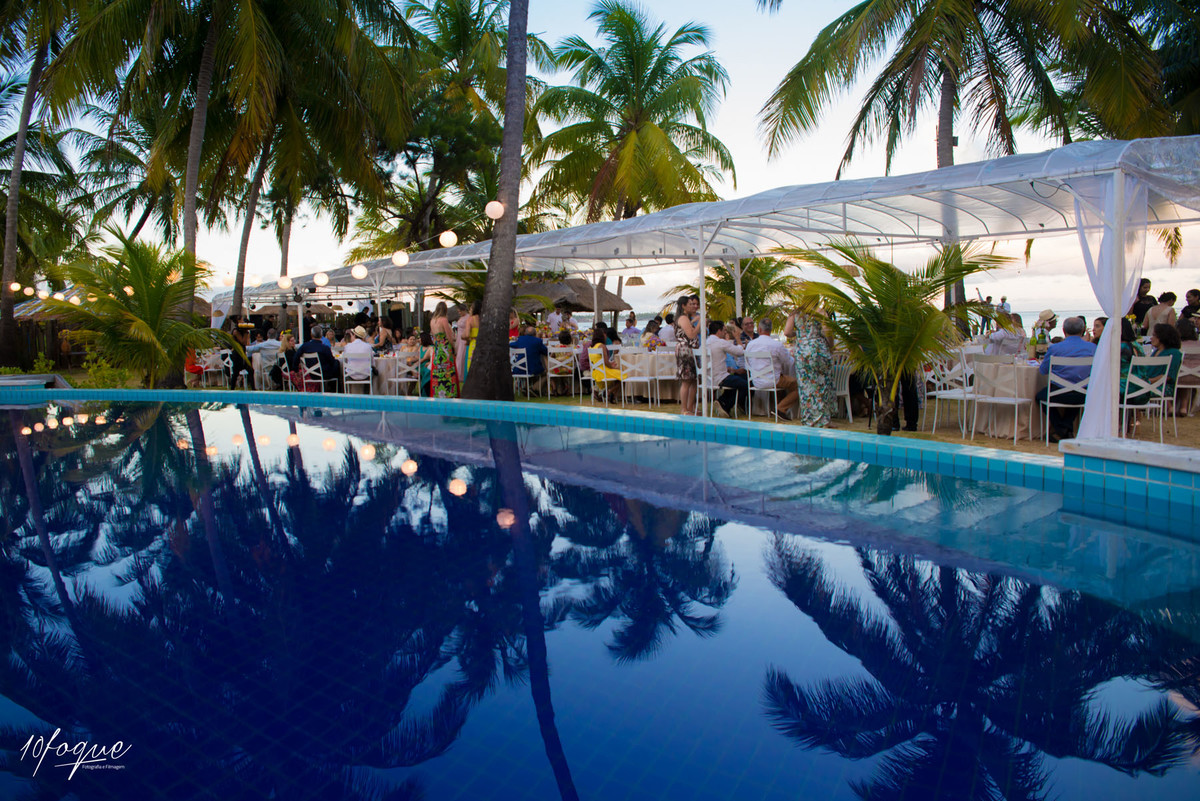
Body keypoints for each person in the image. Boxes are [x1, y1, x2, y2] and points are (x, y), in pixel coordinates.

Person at [1035, 317, 1096, 442]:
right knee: (1077, 394)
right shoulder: (1092, 348)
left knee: (1040, 396)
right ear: (1083, 330)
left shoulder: (1054, 348)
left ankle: (1060, 428)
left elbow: (1043, 371)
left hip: (1058, 393)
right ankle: (1066, 428)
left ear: (1063, 331)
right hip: (1083, 393)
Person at [744, 318, 799, 418]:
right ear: (770, 330)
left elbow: (746, 365)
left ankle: (775, 408)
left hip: (755, 381)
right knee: (799, 385)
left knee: (784, 380)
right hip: (774, 380)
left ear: (759, 329)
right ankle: (781, 408)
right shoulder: (777, 345)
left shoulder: (750, 345)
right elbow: (788, 361)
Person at [792, 311, 835, 427]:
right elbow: (827, 331)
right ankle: (824, 419)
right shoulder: (820, 312)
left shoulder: (795, 312)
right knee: (822, 384)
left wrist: (801, 334)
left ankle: (808, 419)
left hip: (802, 349)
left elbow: (786, 332)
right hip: (818, 348)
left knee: (805, 386)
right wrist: (831, 345)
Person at [706, 320, 748, 416]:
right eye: (724, 330)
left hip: (708, 378)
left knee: (739, 379)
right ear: (719, 331)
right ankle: (724, 403)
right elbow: (740, 352)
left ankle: (724, 402)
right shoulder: (721, 342)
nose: (726, 333)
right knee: (745, 384)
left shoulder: (705, 342)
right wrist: (738, 339)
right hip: (720, 378)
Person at [673, 295, 701, 415]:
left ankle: (690, 407)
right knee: (686, 380)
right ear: (684, 306)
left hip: (690, 350)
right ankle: (684, 408)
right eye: (690, 304)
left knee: (693, 380)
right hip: (686, 351)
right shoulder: (683, 318)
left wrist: (695, 321)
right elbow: (691, 334)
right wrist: (700, 323)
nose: (692, 306)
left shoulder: (685, 318)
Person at [296, 325, 342, 392]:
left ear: (311, 335)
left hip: (310, 374)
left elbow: (296, 357)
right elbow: (332, 361)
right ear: (321, 335)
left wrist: (296, 369)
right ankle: (335, 390)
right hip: (324, 374)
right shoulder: (324, 348)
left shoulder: (304, 346)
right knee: (336, 364)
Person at [429, 302, 459, 398]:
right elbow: (449, 336)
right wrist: (454, 347)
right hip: (445, 348)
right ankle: (449, 392)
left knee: (438, 370)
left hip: (437, 348)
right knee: (448, 371)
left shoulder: (432, 321)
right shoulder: (444, 320)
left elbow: (433, 337)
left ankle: (438, 392)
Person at [510, 323, 549, 393]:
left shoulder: (520, 339)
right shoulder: (538, 341)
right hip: (532, 369)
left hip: (519, 368)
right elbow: (546, 352)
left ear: (525, 333)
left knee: (532, 367)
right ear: (535, 334)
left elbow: (511, 345)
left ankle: (525, 387)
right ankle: (534, 388)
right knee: (546, 373)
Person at [588, 327, 624, 402]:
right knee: (623, 375)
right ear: (601, 335)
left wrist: (610, 365)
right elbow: (605, 362)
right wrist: (611, 366)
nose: (606, 336)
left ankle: (611, 395)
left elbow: (600, 361)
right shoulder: (601, 346)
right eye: (604, 334)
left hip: (595, 372)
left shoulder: (592, 347)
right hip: (602, 372)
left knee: (618, 373)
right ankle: (609, 392)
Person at [457, 300, 481, 382]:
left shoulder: (471, 319)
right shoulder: (484, 318)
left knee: (471, 366)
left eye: (471, 308)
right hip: (483, 344)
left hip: (473, 344)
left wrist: (463, 336)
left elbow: (466, 334)